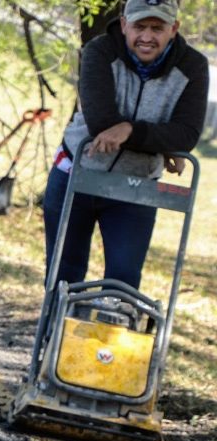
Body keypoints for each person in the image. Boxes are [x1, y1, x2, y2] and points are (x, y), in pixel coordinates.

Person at [42, 0, 208, 291]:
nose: (147, 36)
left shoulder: (192, 66)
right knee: (63, 274)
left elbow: (186, 135)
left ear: (174, 29)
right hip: (76, 173)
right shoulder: (99, 51)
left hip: (137, 185)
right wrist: (159, 140)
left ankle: (108, 334)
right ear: (123, 24)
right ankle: (53, 335)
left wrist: (129, 130)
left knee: (122, 282)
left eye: (157, 28)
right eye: (139, 26)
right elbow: (101, 123)